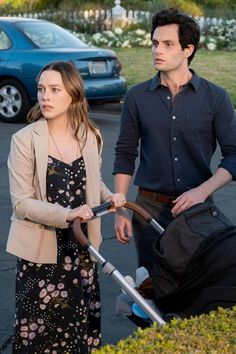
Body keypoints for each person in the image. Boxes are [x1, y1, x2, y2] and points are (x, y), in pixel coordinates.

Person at [7, 61, 126, 353]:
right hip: (41, 253)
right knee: (39, 335)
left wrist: (110, 196)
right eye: (41, 89)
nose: (44, 96)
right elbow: (21, 202)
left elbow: (92, 181)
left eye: (54, 90)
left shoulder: (90, 135)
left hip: (82, 248)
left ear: (72, 94)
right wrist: (68, 214)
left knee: (78, 329)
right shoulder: (24, 140)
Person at [113, 7, 236, 274]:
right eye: (155, 43)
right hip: (148, 210)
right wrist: (121, 207)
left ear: (187, 50)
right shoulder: (136, 97)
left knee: (197, 286)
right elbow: (125, 153)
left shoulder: (216, 98)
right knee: (150, 286)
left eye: (168, 44)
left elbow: (234, 156)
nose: (158, 50)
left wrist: (201, 192)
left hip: (198, 209)